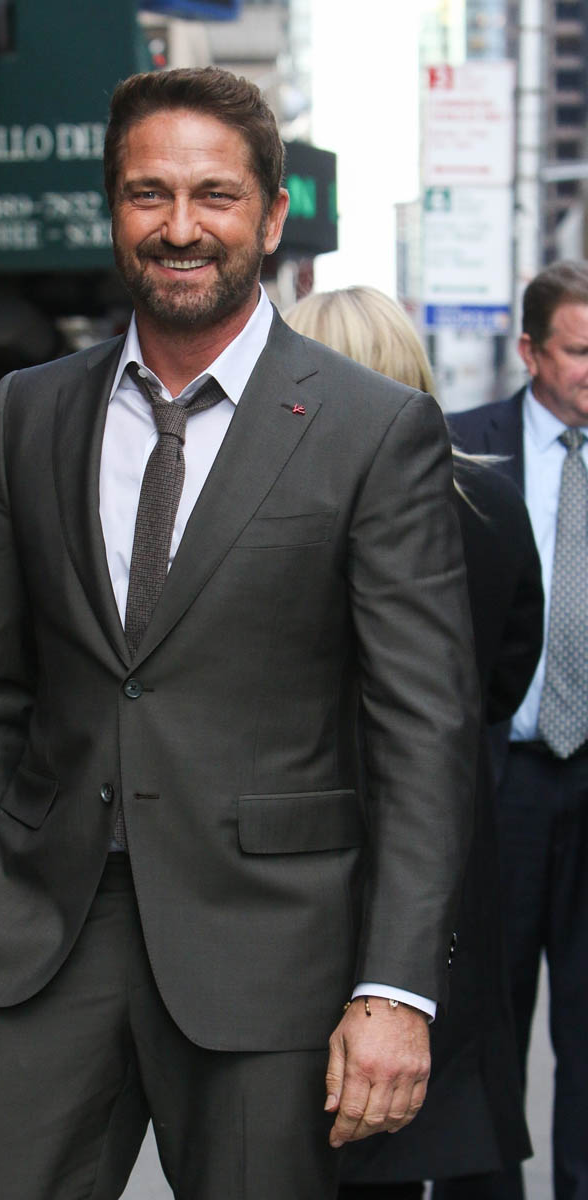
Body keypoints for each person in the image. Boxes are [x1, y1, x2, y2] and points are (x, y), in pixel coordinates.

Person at [0, 67, 479, 1200]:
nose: (180, 227)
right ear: (113, 209)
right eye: (149, 194)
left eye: (214, 195)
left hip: (272, 955)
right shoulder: (32, 409)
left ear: (270, 216)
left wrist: (394, 987)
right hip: (39, 939)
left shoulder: (373, 429)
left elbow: (424, 732)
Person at [285, 286, 544, 1198]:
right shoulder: (491, 502)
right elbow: (508, 674)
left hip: (305, 832)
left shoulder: (286, 513)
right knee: (438, 1090)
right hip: (451, 827)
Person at [449, 259, 588, 1200]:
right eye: (579, 351)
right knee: (483, 1021)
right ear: (532, 351)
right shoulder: (464, 449)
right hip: (502, 779)